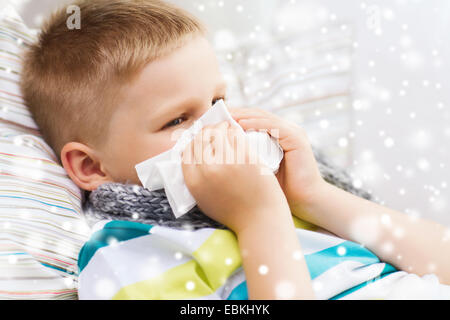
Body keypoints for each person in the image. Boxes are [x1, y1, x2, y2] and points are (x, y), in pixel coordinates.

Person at [20, 0, 450, 300]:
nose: (218, 126)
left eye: (217, 102)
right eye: (177, 120)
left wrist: (314, 197)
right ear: (91, 165)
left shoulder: (281, 191)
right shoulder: (122, 258)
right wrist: (258, 219)